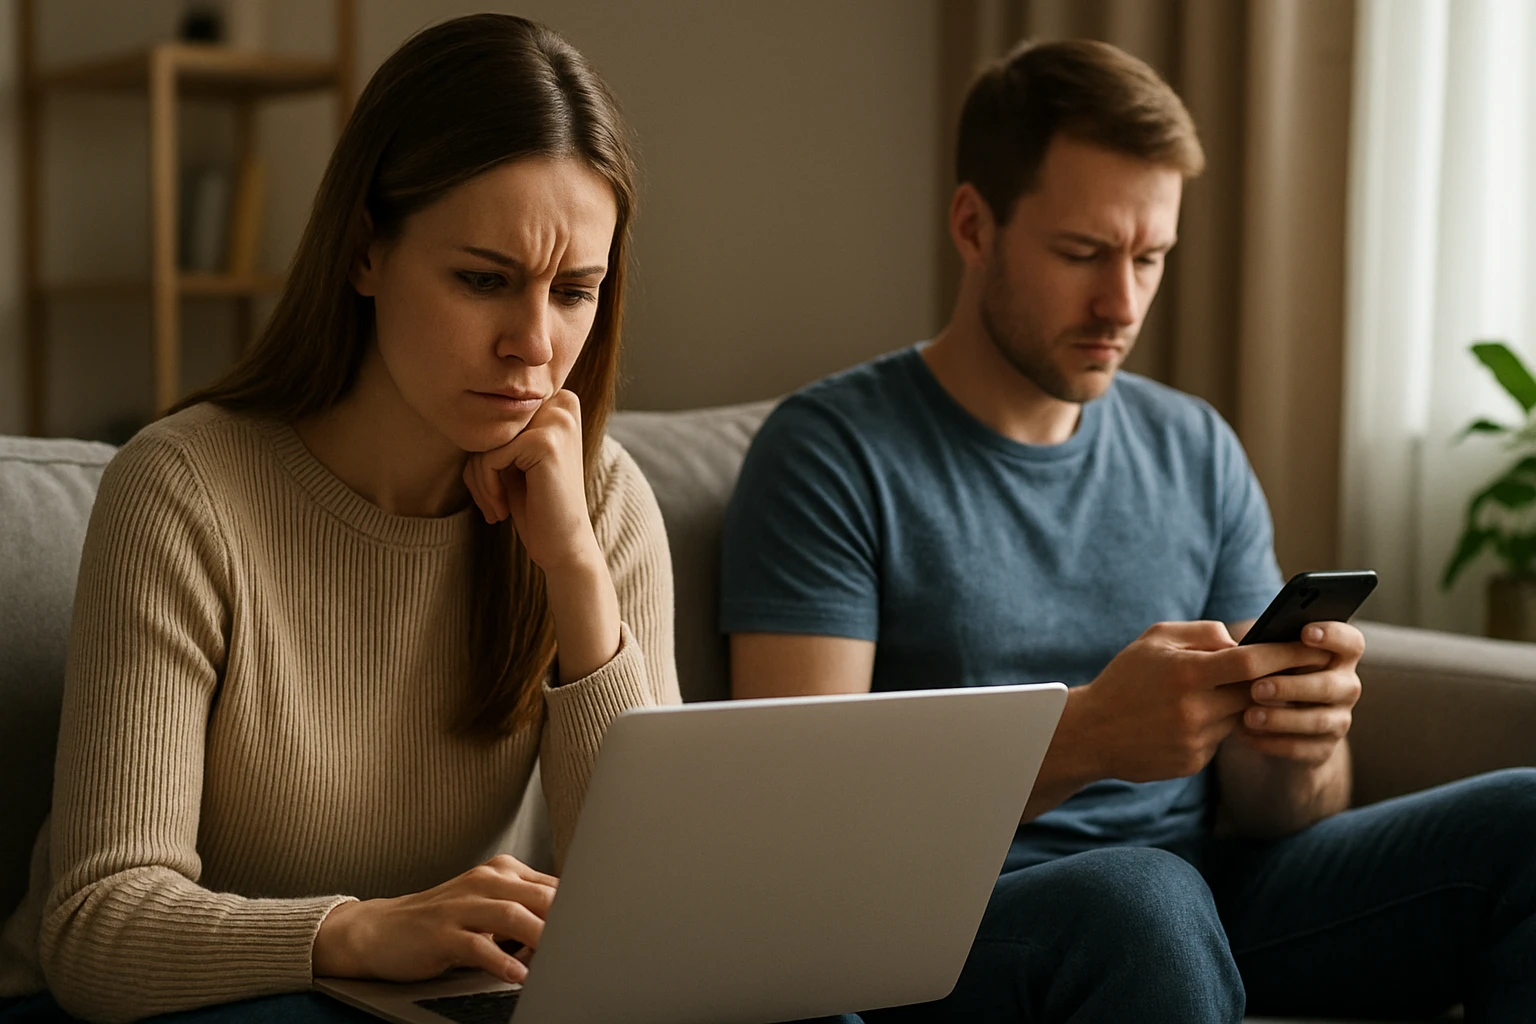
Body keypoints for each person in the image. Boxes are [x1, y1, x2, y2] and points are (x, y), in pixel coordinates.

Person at [721, 38, 1536, 1023]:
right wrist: (1096, 731)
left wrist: (1300, 744)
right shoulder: (831, 453)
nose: (1123, 303)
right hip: (964, 920)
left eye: (1150, 258)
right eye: (1083, 254)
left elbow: (1285, 816)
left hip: (1204, 896)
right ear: (973, 224)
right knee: (1143, 897)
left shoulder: (1192, 445)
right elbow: (797, 825)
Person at [0, 15, 687, 1023]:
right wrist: (355, 931)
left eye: (574, 291)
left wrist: (578, 581)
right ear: (366, 252)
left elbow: (662, 916)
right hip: (192, 1002)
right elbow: (97, 924)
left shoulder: (601, 497)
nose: (533, 344)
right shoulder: (185, 491)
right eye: (483, 280)